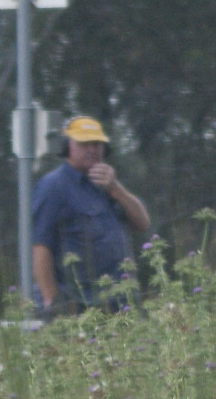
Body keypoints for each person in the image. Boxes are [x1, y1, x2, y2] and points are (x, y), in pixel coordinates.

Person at [31, 115, 151, 313]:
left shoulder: (108, 184)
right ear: (67, 147)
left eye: (97, 144)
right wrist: (52, 301)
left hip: (120, 301)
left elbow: (143, 223)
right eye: (84, 143)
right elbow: (41, 247)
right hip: (78, 304)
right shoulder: (53, 186)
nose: (92, 150)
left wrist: (116, 188)